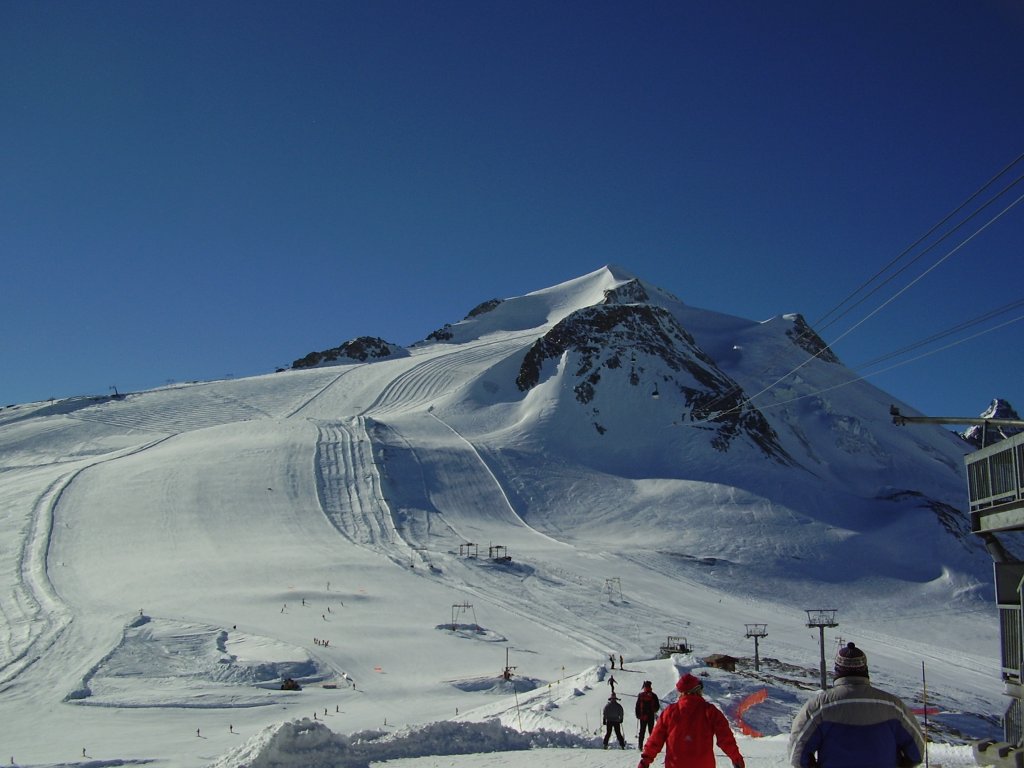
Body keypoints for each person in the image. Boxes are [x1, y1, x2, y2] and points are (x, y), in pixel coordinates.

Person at [790, 642, 925, 768]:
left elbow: (797, 754)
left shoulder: (818, 707)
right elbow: (916, 752)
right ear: (865, 669)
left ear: (838, 670)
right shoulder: (893, 706)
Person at [638, 673, 744, 768]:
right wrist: (736, 758)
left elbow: (655, 740)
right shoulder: (710, 711)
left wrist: (645, 760)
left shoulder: (670, 712)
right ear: (698, 690)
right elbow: (726, 738)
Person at [635, 680, 661, 750]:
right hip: (650, 716)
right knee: (651, 731)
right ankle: (652, 746)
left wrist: (638, 714)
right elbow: (657, 706)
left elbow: (637, 706)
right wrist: (654, 710)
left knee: (642, 731)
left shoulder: (641, 695)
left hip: (642, 716)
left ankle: (640, 746)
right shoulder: (654, 695)